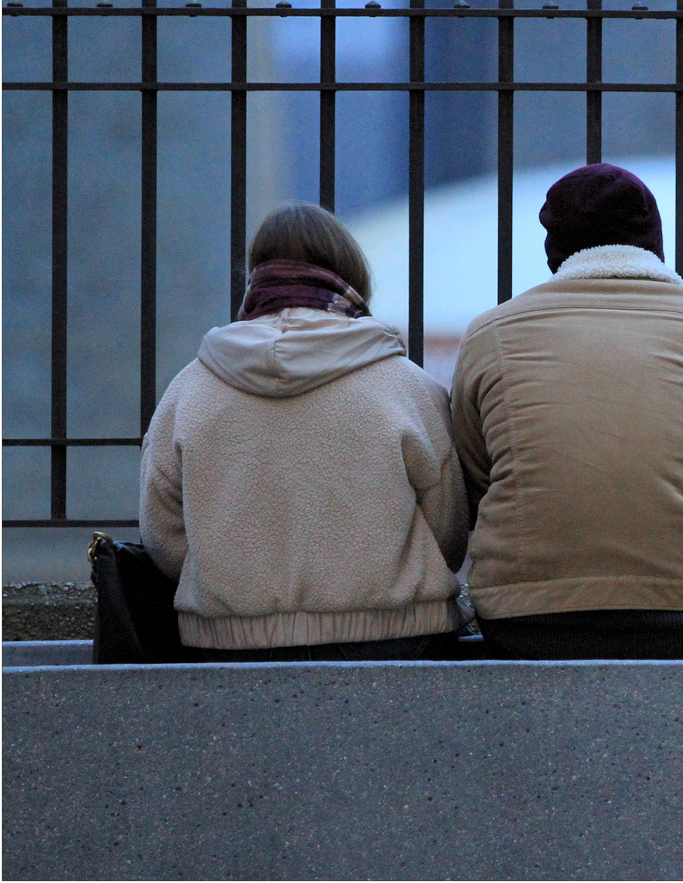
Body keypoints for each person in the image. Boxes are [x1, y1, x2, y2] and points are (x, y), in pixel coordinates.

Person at [451, 163, 683, 659]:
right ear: (656, 242)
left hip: (529, 619)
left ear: (554, 248)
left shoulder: (491, 336)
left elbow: (474, 482)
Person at [140, 203, 470, 661]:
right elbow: (449, 531)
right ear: (351, 274)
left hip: (229, 646)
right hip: (396, 638)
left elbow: (164, 535)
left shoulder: (190, 389)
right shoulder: (408, 387)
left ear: (256, 278)